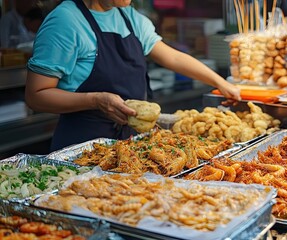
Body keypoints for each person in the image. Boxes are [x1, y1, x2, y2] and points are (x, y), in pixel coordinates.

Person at [25, 0, 241, 151]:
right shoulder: (65, 21)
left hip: (130, 144)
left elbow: (172, 57)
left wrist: (220, 82)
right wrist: (96, 100)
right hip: (84, 146)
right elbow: (36, 96)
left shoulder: (128, 16)